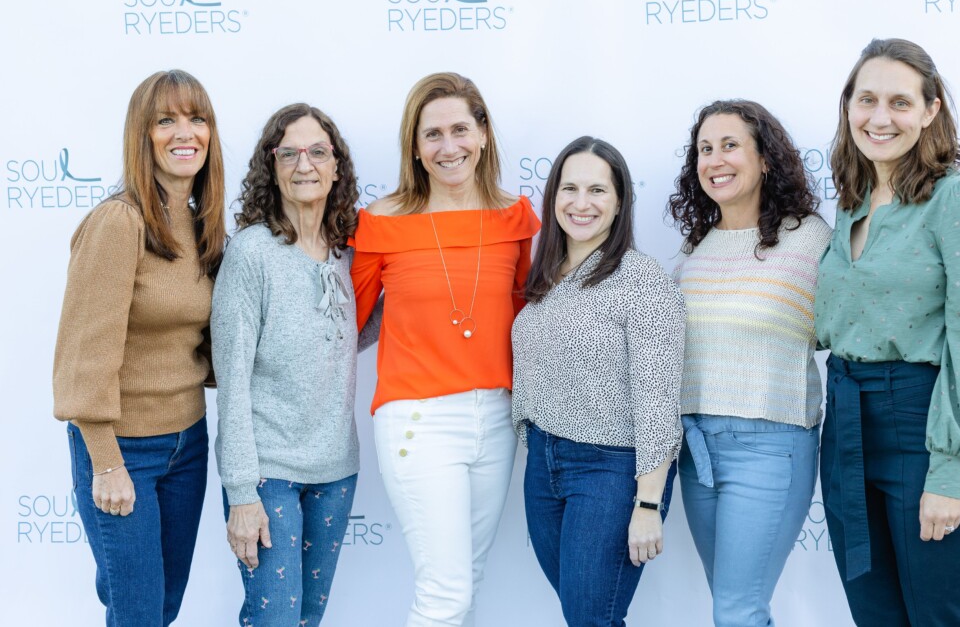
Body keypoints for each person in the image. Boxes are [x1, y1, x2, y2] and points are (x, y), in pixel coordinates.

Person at [816, 38, 960, 626]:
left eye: (900, 102)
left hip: (926, 428)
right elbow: (827, 326)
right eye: (866, 99)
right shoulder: (849, 209)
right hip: (846, 426)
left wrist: (949, 473)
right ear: (848, 107)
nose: (880, 118)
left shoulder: (957, 200)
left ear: (931, 110)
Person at [350, 72, 540, 627]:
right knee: (445, 594)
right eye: (432, 134)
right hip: (418, 420)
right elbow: (345, 324)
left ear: (483, 134)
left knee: (467, 582)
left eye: (461, 129)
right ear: (414, 145)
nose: (448, 146)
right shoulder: (380, 224)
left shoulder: (516, 219)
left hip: (497, 419)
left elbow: (525, 315)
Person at [53, 69, 225, 626]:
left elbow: (205, 342)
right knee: (138, 613)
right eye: (166, 120)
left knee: (164, 605)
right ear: (141, 134)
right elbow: (84, 355)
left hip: (188, 446)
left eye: (198, 119)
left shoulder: (203, 227)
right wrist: (106, 462)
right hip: (123, 448)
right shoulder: (118, 222)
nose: (186, 132)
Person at [667, 100, 831, 626]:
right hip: (696, 449)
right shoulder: (696, 248)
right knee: (731, 605)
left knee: (737, 611)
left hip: (770, 444)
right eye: (705, 149)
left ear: (766, 160)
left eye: (730, 145)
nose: (715, 159)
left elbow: (840, 330)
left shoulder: (810, 238)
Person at [512, 136, 684, 627]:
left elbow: (658, 400)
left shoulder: (641, 280)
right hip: (544, 467)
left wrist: (648, 503)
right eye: (569, 189)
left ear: (620, 202)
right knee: (587, 616)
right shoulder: (543, 279)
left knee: (591, 617)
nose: (581, 203)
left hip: (610, 470)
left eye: (597, 190)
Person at [212, 104, 365, 626]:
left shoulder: (347, 254)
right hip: (267, 475)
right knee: (274, 619)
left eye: (318, 151)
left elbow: (348, 337)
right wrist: (240, 492)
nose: (305, 164)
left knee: (307, 620)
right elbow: (230, 382)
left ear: (336, 166)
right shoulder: (252, 254)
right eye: (290, 153)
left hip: (338, 470)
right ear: (270, 166)